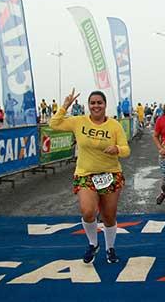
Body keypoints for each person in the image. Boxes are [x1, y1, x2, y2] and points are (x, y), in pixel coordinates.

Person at [49, 88, 130, 264]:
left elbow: (126, 149)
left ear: (105, 105)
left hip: (110, 175)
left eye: (99, 102)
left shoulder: (114, 126)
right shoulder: (79, 122)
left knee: (109, 216)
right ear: (88, 105)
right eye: (92, 103)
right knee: (88, 212)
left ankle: (110, 248)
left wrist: (117, 149)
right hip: (85, 174)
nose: (96, 106)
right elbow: (53, 124)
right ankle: (93, 244)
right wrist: (64, 106)